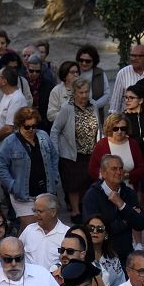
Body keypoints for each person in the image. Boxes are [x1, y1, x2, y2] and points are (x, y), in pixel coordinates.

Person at [0, 107, 59, 228]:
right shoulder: (10, 142)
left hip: (46, 192)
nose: (31, 129)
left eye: (34, 126)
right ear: (19, 125)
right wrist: (12, 185)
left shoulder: (43, 136)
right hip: (23, 194)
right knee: (30, 228)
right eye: (27, 127)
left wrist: (54, 176)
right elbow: (1, 166)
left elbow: (54, 157)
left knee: (47, 227)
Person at [52, 78, 101, 223]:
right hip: (71, 153)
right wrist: (56, 150)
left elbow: (99, 126)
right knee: (73, 184)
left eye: (86, 91)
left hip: (90, 152)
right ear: (74, 93)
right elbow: (55, 130)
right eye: (81, 92)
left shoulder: (94, 105)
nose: (84, 95)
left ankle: (86, 208)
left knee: (88, 181)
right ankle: (75, 211)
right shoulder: (67, 108)